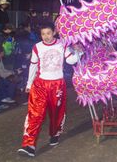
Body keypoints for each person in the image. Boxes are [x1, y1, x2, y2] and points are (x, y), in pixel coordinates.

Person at [18, 23, 82, 157]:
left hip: (57, 85)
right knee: (35, 114)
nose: (46, 37)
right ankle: (28, 145)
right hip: (40, 85)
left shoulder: (63, 44)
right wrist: (29, 84)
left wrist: (78, 51)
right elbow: (33, 66)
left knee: (56, 113)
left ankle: (54, 134)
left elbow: (71, 61)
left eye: (48, 33)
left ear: (54, 32)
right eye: (43, 34)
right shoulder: (37, 47)